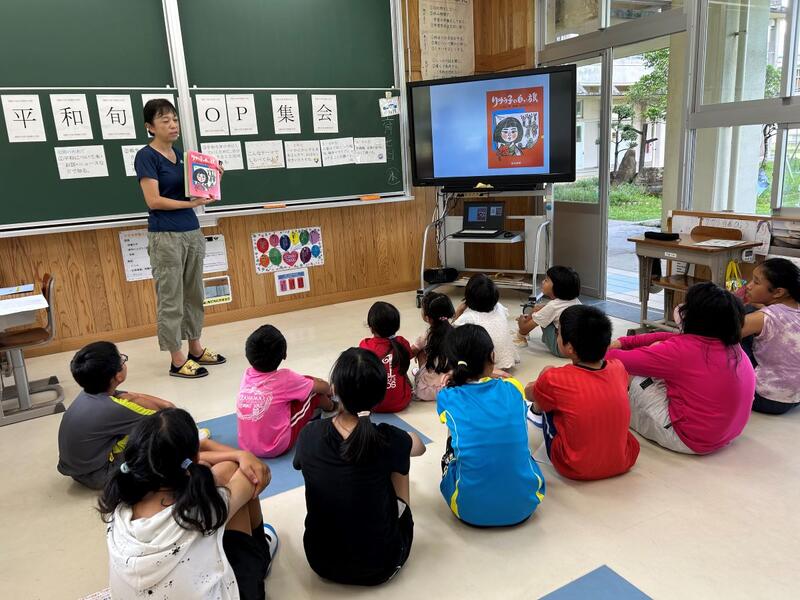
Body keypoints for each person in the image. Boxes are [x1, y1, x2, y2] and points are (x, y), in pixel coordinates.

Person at [100, 409, 276, 600]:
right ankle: (261, 555)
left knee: (221, 473)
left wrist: (232, 454)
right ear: (193, 458)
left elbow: (194, 464)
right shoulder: (202, 510)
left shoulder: (120, 506)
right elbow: (254, 476)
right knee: (232, 471)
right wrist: (243, 455)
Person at [293, 348, 426, 586]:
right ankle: (401, 512)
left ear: (335, 389)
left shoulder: (310, 434)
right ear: (380, 396)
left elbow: (300, 464)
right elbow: (420, 448)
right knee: (399, 462)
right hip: (382, 565)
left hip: (320, 560)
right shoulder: (387, 438)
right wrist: (402, 440)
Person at [134, 98, 225, 379]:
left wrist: (214, 178)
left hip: (191, 232)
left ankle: (195, 347)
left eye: (174, 119)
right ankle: (177, 358)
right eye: (165, 120)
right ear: (150, 127)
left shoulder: (183, 157)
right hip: (166, 236)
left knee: (194, 294)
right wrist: (190, 204)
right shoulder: (146, 157)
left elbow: (198, 193)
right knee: (171, 298)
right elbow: (154, 200)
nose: (173, 125)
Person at [607, 282, 755, 455]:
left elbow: (617, 359)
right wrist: (624, 342)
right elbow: (671, 337)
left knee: (631, 374)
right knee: (660, 357)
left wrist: (606, 348)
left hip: (688, 439)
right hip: (727, 434)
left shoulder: (681, 351)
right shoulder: (731, 345)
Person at [437, 324, 545, 527]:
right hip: (525, 504)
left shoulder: (447, 397)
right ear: (492, 357)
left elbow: (452, 409)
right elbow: (507, 378)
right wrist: (493, 372)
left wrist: (455, 376)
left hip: (469, 510)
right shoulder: (513, 388)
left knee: (454, 435)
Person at [526, 306, 639, 480]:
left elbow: (528, 393)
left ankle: (534, 415)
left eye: (558, 333)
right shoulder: (618, 367)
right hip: (624, 459)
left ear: (570, 347)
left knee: (546, 383)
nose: (557, 336)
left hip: (574, 467)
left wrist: (540, 384)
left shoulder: (555, 378)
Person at [57, 341, 176, 489]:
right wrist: (166, 406)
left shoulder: (89, 392)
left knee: (131, 403)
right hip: (100, 475)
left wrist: (133, 397)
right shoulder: (114, 409)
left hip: (77, 471)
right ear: (118, 376)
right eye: (122, 360)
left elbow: (131, 396)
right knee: (156, 432)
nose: (124, 362)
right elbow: (166, 418)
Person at [237, 324, 337, 458]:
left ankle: (318, 407)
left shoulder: (247, 374)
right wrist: (330, 390)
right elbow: (321, 387)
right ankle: (332, 408)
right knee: (313, 391)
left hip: (246, 446)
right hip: (274, 447)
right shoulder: (285, 377)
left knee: (300, 384)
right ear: (284, 355)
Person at [740, 258, 800, 414]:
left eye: (756, 282)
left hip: (765, 398)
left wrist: (732, 302)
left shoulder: (763, 318)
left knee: (729, 336)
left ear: (779, 292)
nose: (748, 286)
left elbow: (718, 332)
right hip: (795, 397)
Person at [452, 274, 519, 370]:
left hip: (486, 368)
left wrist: (459, 311)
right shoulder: (499, 307)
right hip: (507, 359)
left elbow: (451, 335)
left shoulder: (468, 317)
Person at [515, 266, 581, 356]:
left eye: (546, 280)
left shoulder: (553, 306)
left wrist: (521, 323)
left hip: (561, 350)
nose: (543, 282)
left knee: (542, 314)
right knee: (542, 311)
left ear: (558, 287)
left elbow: (524, 329)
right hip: (579, 349)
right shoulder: (576, 301)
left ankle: (526, 325)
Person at [359, 301, 413, 412]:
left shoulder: (365, 345)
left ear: (371, 328)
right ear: (396, 326)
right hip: (401, 402)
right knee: (399, 364)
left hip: (372, 404)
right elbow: (408, 356)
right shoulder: (402, 343)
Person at [410, 292, 454, 401]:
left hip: (427, 390)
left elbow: (409, 353)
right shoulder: (457, 333)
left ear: (428, 318)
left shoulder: (426, 337)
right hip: (451, 386)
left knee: (420, 352)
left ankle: (422, 373)